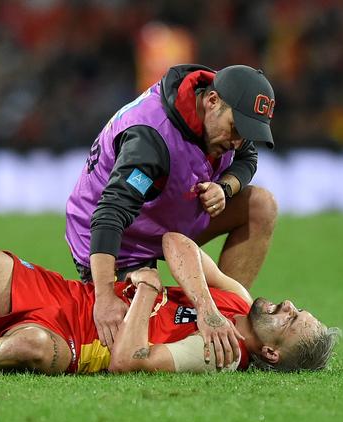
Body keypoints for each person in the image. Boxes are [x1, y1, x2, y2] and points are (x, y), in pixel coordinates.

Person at [0, 232, 339, 375]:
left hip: (74, 344)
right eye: (298, 306)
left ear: (271, 353)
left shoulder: (221, 354)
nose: (289, 305)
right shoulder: (233, 303)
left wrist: (144, 291)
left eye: (292, 321)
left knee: (25, 346)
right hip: (62, 296)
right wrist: (205, 303)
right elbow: (175, 242)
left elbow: (127, 360)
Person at [65, 63, 279, 354]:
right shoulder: (151, 139)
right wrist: (104, 296)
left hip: (168, 212)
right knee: (123, 340)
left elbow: (247, 157)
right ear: (212, 101)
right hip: (117, 237)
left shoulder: (223, 115)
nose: (238, 141)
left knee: (260, 205)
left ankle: (227, 318)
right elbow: (110, 213)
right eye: (237, 129)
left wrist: (225, 187)